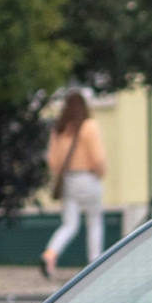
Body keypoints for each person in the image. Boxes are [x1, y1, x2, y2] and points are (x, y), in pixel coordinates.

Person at [41, 90, 108, 279]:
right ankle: (95, 262)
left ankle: (50, 254)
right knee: (94, 221)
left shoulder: (59, 130)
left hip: (68, 180)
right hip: (88, 177)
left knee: (69, 224)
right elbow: (98, 158)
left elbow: (53, 162)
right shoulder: (89, 126)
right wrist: (100, 173)